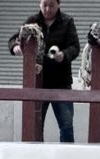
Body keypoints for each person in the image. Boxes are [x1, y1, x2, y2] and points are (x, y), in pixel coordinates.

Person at [9, 0, 80, 143]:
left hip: (61, 82)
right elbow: (14, 39)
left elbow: (75, 47)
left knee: (66, 126)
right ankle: (36, 154)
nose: (48, 9)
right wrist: (16, 47)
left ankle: (68, 154)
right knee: (35, 125)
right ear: (39, 5)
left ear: (59, 4)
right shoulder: (32, 22)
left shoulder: (67, 22)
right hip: (38, 82)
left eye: (51, 5)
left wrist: (64, 55)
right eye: (44, 5)